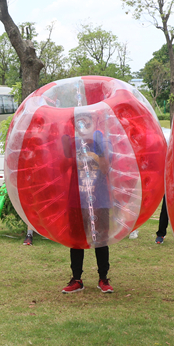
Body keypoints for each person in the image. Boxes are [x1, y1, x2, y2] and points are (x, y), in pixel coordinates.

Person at [61, 117, 113, 294]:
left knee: (101, 239)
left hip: (100, 198)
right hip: (77, 199)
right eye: (79, 122)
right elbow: (62, 164)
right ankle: (76, 279)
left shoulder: (102, 139)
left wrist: (99, 151)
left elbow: (106, 169)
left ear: (94, 121)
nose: (83, 125)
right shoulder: (73, 143)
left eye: (87, 121)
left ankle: (103, 279)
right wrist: (66, 137)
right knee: (76, 240)